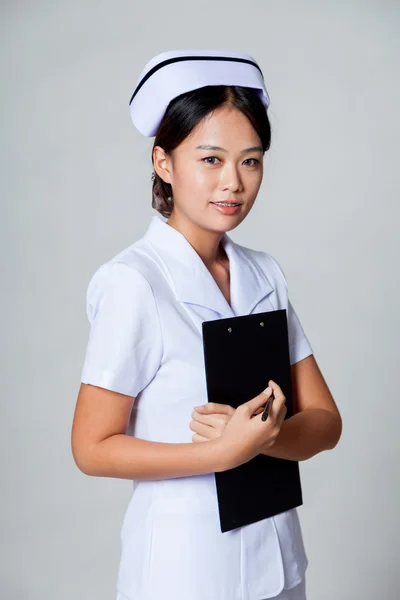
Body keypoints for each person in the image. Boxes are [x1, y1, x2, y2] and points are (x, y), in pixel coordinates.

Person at [71, 49, 342, 600]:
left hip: (280, 559)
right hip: (184, 571)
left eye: (251, 160)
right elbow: (91, 446)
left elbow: (326, 423)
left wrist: (261, 440)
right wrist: (219, 454)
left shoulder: (263, 273)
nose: (234, 184)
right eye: (211, 159)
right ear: (164, 163)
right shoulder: (134, 282)